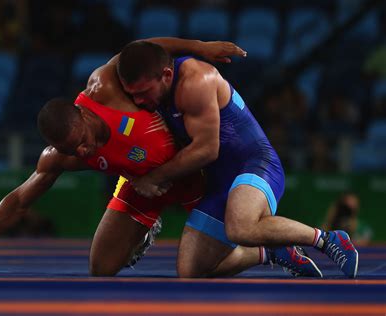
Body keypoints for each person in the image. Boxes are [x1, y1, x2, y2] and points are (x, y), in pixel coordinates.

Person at [0, 38, 319, 278]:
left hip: (189, 174)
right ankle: (260, 250)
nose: (82, 152)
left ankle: (270, 248)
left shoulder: (106, 88)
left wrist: (199, 48)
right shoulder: (61, 156)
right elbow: (20, 198)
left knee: (197, 264)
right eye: (73, 152)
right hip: (139, 185)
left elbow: (144, 49)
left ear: (83, 113)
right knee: (100, 269)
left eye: (81, 142)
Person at [117, 41, 359, 278]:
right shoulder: (157, 88)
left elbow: (206, 150)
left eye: (143, 93)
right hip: (221, 182)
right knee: (191, 271)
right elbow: (142, 45)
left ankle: (328, 240)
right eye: (133, 95)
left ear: (167, 75)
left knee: (241, 228)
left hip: (255, 164)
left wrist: (155, 177)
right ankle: (270, 253)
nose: (139, 102)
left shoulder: (196, 81)